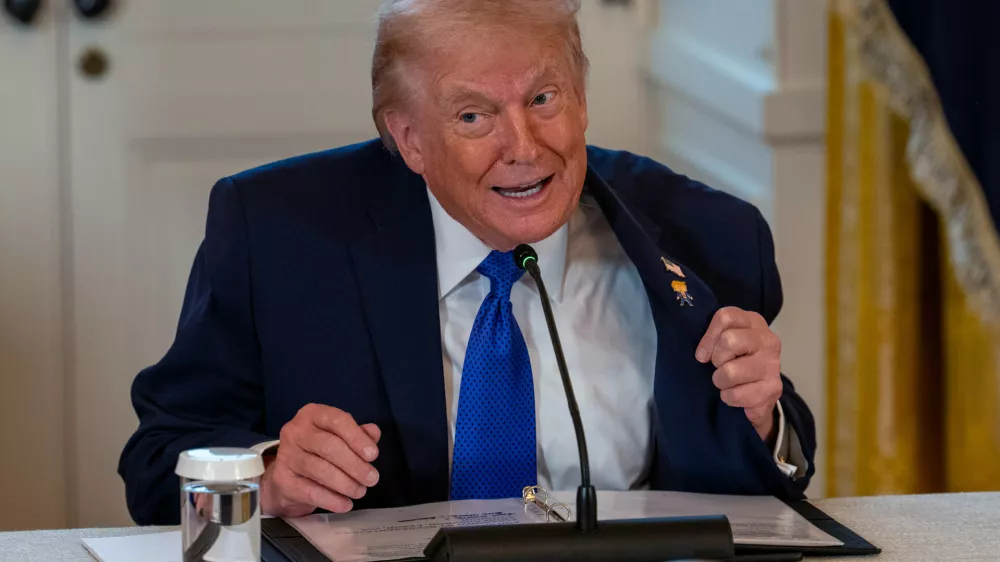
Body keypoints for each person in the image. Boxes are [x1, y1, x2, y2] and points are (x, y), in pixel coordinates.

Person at [119, 0, 815, 525]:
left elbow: (773, 481)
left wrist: (761, 417)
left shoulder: (708, 235)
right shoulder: (276, 235)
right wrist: (266, 479)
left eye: (544, 99)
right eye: (474, 117)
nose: (524, 147)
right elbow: (158, 470)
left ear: (582, 97)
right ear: (409, 139)